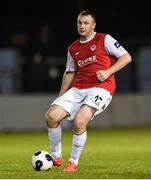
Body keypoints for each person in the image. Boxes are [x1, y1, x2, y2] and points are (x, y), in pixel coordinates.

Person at [44, 10, 132, 172]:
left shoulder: (104, 39)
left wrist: (107, 72)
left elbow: (126, 57)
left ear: (93, 25)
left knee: (79, 122)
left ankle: (73, 162)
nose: (82, 26)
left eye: (86, 23)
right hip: (78, 88)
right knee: (51, 116)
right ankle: (56, 157)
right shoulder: (73, 47)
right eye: (80, 23)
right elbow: (70, 72)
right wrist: (61, 96)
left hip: (101, 88)